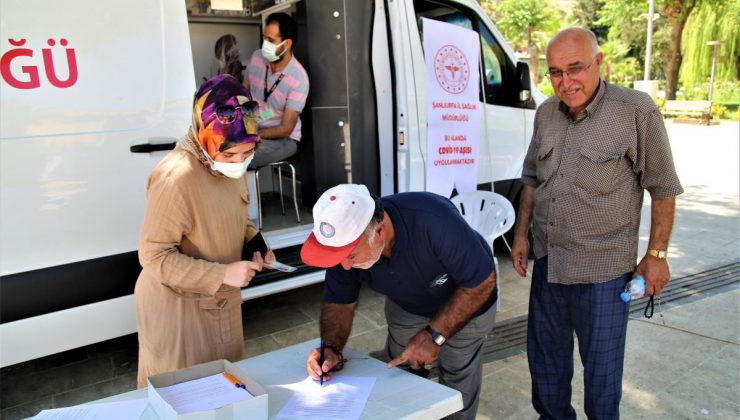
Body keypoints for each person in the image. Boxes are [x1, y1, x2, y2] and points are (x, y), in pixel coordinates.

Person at [510, 28, 683, 419]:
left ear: (599, 63)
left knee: (602, 383)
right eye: (555, 73)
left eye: (575, 69)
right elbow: (531, 180)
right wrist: (521, 236)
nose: (566, 82)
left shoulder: (636, 110)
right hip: (550, 265)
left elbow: (664, 188)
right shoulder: (545, 114)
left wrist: (656, 255)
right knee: (546, 371)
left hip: (603, 273)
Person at [300, 184, 498, 420]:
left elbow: (481, 282)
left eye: (351, 256)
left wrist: (434, 336)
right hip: (408, 304)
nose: (345, 266)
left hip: (468, 300)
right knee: (400, 376)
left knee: (456, 383)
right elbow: (339, 302)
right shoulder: (346, 242)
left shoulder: (433, 220)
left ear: (380, 232)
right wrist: (331, 348)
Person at [134, 75, 275, 388]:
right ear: (204, 135)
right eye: (229, 155)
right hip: (178, 309)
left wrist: (256, 244)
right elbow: (154, 256)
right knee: (188, 394)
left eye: (247, 152)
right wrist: (222, 275)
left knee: (225, 389)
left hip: (218, 303)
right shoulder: (176, 178)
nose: (238, 163)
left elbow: (237, 214)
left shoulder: (228, 161)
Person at [244, 12, 309, 169]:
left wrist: (255, 135)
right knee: (218, 148)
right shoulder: (257, 57)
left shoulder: (299, 78)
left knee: (240, 156)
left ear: (286, 44)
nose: (264, 44)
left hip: (283, 140)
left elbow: (285, 128)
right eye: (264, 38)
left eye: (271, 40)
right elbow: (243, 92)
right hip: (253, 129)